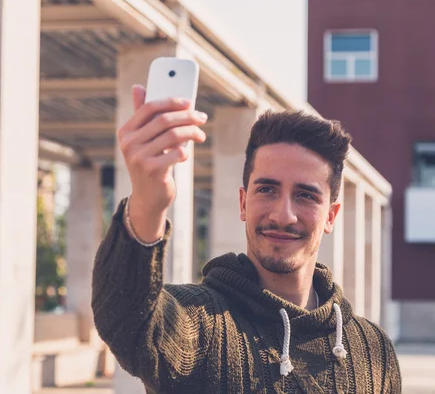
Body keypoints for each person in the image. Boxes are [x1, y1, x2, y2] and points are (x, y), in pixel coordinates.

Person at [91, 85, 402, 393]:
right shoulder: (198, 325)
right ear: (243, 203)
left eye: (306, 195)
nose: (283, 215)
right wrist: (148, 201)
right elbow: (127, 318)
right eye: (267, 189)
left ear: (331, 216)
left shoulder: (373, 349)